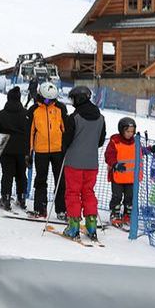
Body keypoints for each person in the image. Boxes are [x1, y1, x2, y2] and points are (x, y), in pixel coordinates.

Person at [60, 85, 106, 241]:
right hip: (92, 163)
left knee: (73, 192)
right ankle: (91, 225)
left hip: (74, 162)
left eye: (73, 99)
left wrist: (65, 148)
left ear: (78, 99)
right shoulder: (101, 118)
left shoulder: (74, 118)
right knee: (88, 192)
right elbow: (100, 141)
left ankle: (73, 227)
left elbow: (66, 140)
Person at [29, 82, 67, 219]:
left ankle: (61, 209)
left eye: (52, 100)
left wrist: (66, 147)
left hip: (58, 150)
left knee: (61, 180)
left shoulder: (60, 109)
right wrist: (30, 152)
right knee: (40, 180)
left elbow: (65, 129)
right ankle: (40, 208)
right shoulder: (34, 110)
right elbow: (31, 132)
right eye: (46, 99)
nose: (49, 102)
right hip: (41, 151)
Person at [0, 86, 31, 211]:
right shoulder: (26, 114)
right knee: (21, 174)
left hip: (6, 149)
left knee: (7, 174)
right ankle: (22, 197)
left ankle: (6, 197)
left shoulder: (1, 114)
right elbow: (30, 131)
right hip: (22, 149)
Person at [105, 117, 137, 227]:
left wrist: (150, 149)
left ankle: (127, 214)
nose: (130, 134)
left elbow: (141, 152)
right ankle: (115, 213)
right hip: (118, 176)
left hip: (130, 177)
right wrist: (115, 164)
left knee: (130, 196)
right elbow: (109, 155)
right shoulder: (115, 141)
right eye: (127, 131)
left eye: (132, 132)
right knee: (117, 196)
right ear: (121, 130)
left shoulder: (135, 142)